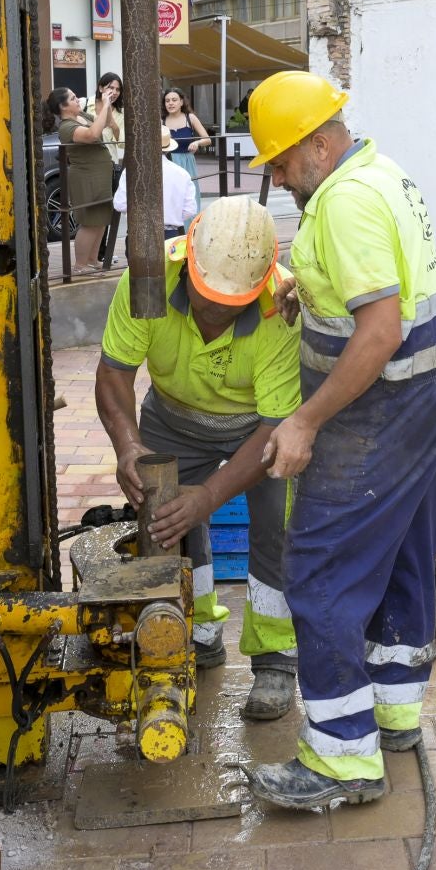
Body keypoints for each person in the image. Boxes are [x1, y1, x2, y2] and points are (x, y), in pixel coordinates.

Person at [239, 71, 436, 811]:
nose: (275, 176)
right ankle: (394, 716)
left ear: (320, 143)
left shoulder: (344, 203)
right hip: (426, 399)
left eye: (280, 161)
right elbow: (380, 289)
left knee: (321, 573)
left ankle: (341, 760)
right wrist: (308, 285)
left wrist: (304, 421)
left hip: (375, 413)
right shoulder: (379, 172)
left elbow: (380, 332)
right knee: (399, 553)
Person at [93, 196, 301, 720]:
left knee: (277, 525)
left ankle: (275, 659)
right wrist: (127, 446)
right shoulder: (150, 279)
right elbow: (114, 373)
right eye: (207, 297)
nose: (215, 312)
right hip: (172, 415)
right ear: (187, 262)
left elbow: (276, 430)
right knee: (167, 522)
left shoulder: (282, 305)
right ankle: (198, 631)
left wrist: (209, 494)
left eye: (231, 304)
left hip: (258, 428)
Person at [59, 85, 119, 275]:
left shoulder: (82, 116)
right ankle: (80, 265)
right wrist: (106, 103)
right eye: (73, 98)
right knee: (90, 222)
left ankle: (93, 261)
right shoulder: (67, 127)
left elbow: (106, 123)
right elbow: (92, 134)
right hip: (86, 175)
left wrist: (107, 103)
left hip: (99, 172)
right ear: (62, 106)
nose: (78, 100)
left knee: (101, 219)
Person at [113, 127, 200, 240]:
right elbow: (190, 210)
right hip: (170, 234)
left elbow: (120, 204)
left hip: (138, 231)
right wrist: (171, 217)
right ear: (168, 148)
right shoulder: (182, 174)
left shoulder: (131, 171)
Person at [162, 88, 211, 180]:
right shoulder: (161, 121)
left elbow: (207, 139)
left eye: (174, 100)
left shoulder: (190, 118)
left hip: (187, 163)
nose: (170, 103)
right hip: (167, 163)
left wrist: (197, 143)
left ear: (181, 102)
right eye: (167, 101)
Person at [96, 71, 126, 171]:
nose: (114, 92)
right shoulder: (84, 104)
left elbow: (122, 143)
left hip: (110, 164)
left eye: (118, 89)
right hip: (87, 163)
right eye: (111, 87)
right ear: (101, 88)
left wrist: (107, 107)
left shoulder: (121, 113)